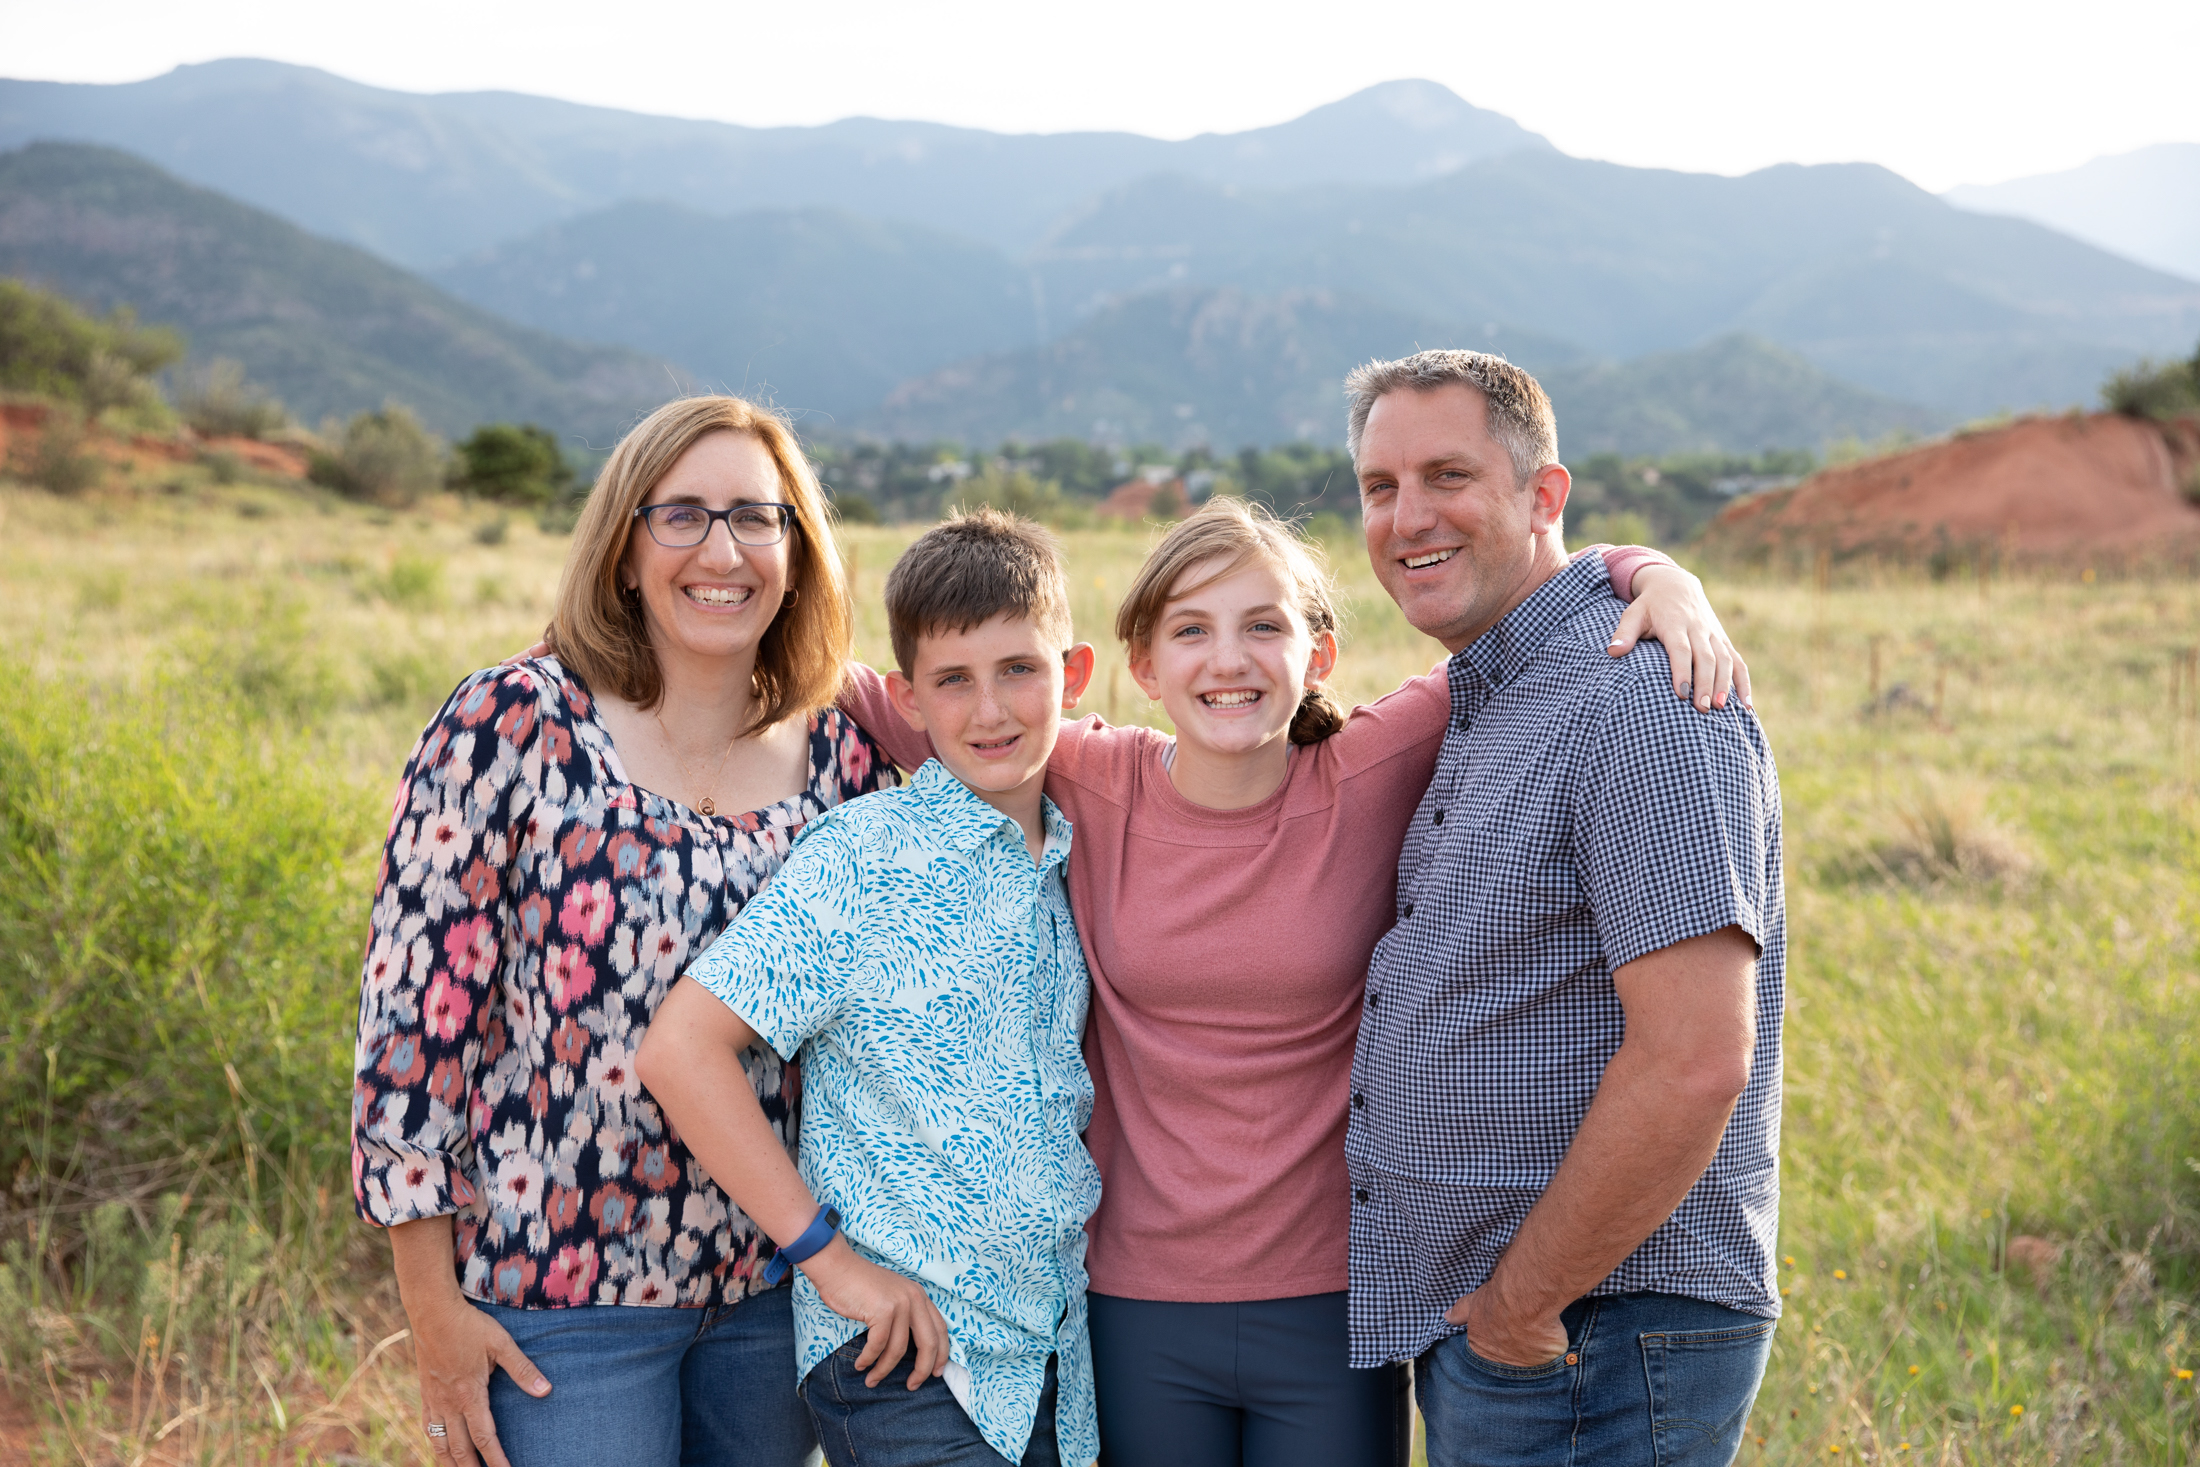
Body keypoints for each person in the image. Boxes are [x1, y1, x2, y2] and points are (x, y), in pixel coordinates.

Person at [839, 500, 1744, 1466]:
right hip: (1137, 1298)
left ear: (1317, 656)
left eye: (1262, 626)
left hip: (1334, 1303)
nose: (1228, 660)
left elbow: (1526, 623)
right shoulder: (1085, 773)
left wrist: (1652, 573)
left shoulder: (1370, 769)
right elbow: (863, 685)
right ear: (1143, 665)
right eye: (1192, 630)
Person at [351, 395, 897, 1467]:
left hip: (774, 1294)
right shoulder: (512, 725)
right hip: (557, 1298)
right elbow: (413, 1037)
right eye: (682, 516)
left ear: (797, 548)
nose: (723, 551)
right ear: (624, 545)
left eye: (756, 517)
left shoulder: (847, 760)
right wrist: (432, 1313)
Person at [1341, 350, 1785, 1467]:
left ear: (1543, 497)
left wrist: (1520, 1310)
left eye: (1447, 475)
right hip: (1529, 1330)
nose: (1406, 518)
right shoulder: (1492, 690)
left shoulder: (1642, 696)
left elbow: (1694, 1059)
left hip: (1588, 1327)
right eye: (1379, 487)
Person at [638, 509, 1104, 1467]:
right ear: (910, 700)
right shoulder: (867, 855)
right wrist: (831, 1263)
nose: (991, 711)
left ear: (1076, 675)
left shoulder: (1073, 855)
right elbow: (681, 1048)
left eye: (1020, 669)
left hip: (1057, 1350)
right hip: (906, 1353)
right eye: (954, 682)